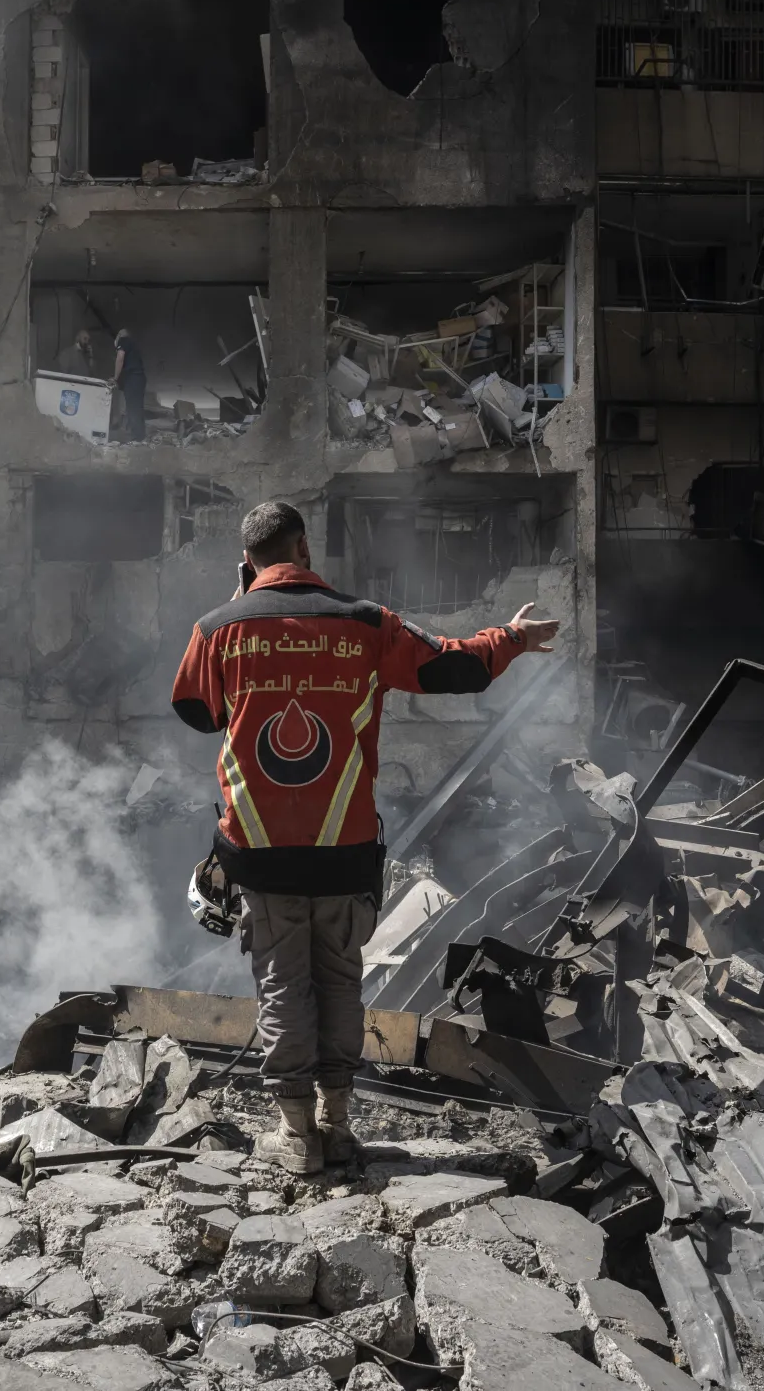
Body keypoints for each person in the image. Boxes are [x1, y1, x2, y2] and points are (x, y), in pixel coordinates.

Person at [169, 500, 560, 1173]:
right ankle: (338, 1125)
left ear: (248, 560)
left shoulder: (217, 629)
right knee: (341, 985)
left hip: (261, 857)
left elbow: (195, 711)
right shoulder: (364, 622)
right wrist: (514, 637)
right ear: (305, 547)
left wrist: (237, 605)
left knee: (284, 990)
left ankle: (296, 1138)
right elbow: (452, 666)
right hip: (344, 853)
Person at [111, 327, 147, 442]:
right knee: (137, 407)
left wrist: (115, 378)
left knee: (132, 408)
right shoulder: (133, 346)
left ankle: (137, 438)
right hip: (139, 379)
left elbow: (120, 358)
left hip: (133, 379)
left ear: (120, 335)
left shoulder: (124, 341)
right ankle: (140, 436)